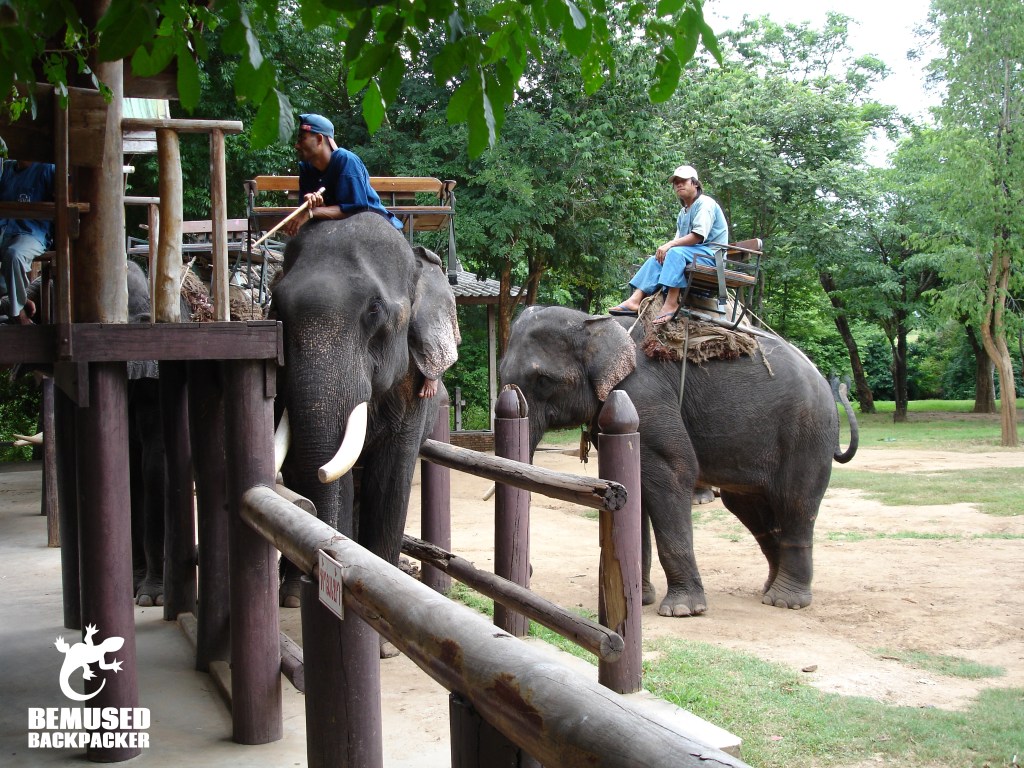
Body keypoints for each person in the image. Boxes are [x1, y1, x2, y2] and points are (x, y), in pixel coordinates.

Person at [608, 164, 729, 325]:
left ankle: (671, 303)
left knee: (674, 252)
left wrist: (669, 245)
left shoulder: (705, 204)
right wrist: (666, 249)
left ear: (695, 184)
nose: (678, 184)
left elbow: (698, 236)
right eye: (676, 182)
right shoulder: (683, 212)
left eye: (683, 181)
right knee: (656, 258)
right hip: (693, 254)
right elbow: (678, 243)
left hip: (711, 256)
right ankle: (635, 299)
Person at [282, 113, 403, 236]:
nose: (297, 145)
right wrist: (313, 203)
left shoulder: (345, 160)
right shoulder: (306, 167)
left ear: (319, 139)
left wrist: (312, 212)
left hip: (372, 224)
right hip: (337, 228)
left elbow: (356, 209)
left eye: (302, 139)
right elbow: (314, 208)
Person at [0, 160, 55, 324]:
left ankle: (19, 315)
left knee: (14, 255)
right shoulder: (7, 168)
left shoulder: (47, 169)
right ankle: (20, 301)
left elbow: (65, 195)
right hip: (5, 230)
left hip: (32, 232)